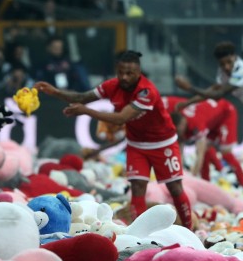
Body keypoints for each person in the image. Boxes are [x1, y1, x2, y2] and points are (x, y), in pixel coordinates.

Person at [34, 50, 194, 229]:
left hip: (163, 143)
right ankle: (139, 233)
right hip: (136, 144)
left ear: (138, 72)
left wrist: (86, 111)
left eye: (130, 73)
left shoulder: (146, 92)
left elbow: (120, 118)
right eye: (121, 73)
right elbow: (82, 97)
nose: (124, 77)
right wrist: (55, 92)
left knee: (175, 188)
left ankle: (190, 229)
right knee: (138, 188)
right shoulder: (112, 86)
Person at [174, 41, 243, 191]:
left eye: (229, 62)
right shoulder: (223, 72)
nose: (226, 67)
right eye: (222, 64)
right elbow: (214, 90)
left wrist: (190, 88)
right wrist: (188, 103)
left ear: (235, 57)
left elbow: (219, 94)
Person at [166, 95, 243, 186]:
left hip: (225, 113)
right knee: (206, 150)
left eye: (178, 131)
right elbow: (179, 152)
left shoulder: (196, 124)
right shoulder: (180, 120)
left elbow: (199, 154)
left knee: (225, 152)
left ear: (182, 124)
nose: (178, 134)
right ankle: (206, 182)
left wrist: (191, 179)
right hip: (212, 119)